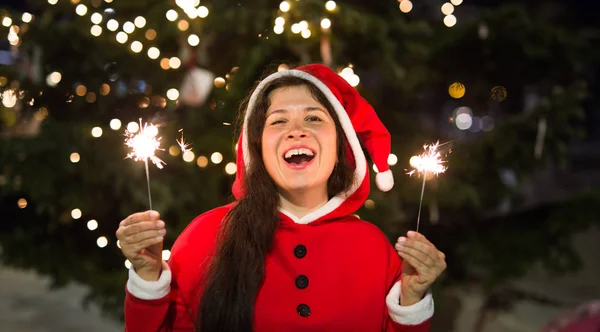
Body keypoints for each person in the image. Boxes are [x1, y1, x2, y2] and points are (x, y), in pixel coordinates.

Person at [117, 64, 447, 332]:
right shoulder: (205, 237)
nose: (297, 130)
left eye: (314, 118)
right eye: (279, 121)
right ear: (257, 147)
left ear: (339, 147)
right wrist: (147, 280)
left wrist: (412, 300)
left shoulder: (375, 248)